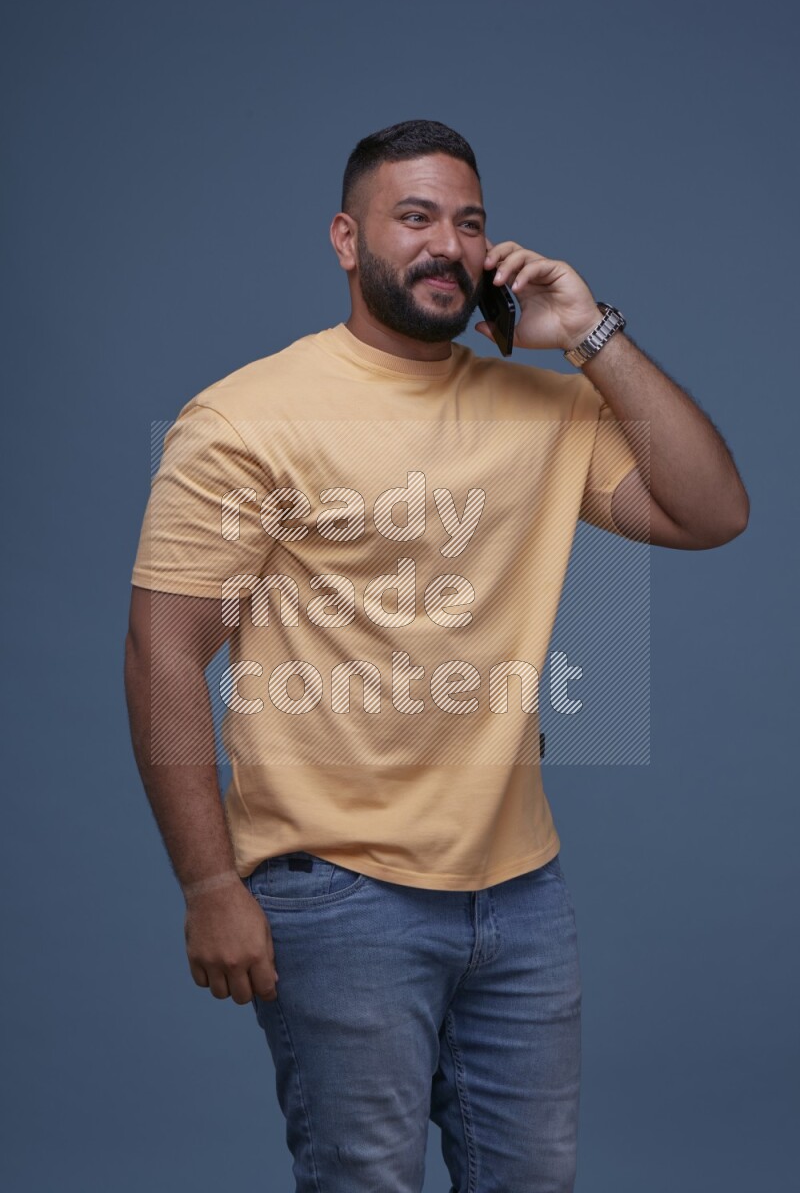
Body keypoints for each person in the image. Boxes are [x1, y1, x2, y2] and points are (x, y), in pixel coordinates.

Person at [124, 119, 749, 1192]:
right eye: (413, 217)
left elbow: (711, 512)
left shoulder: (541, 405)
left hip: (520, 892)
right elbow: (161, 653)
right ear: (343, 237)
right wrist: (206, 883)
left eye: (467, 223)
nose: (445, 245)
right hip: (334, 892)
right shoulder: (245, 418)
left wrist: (591, 332)